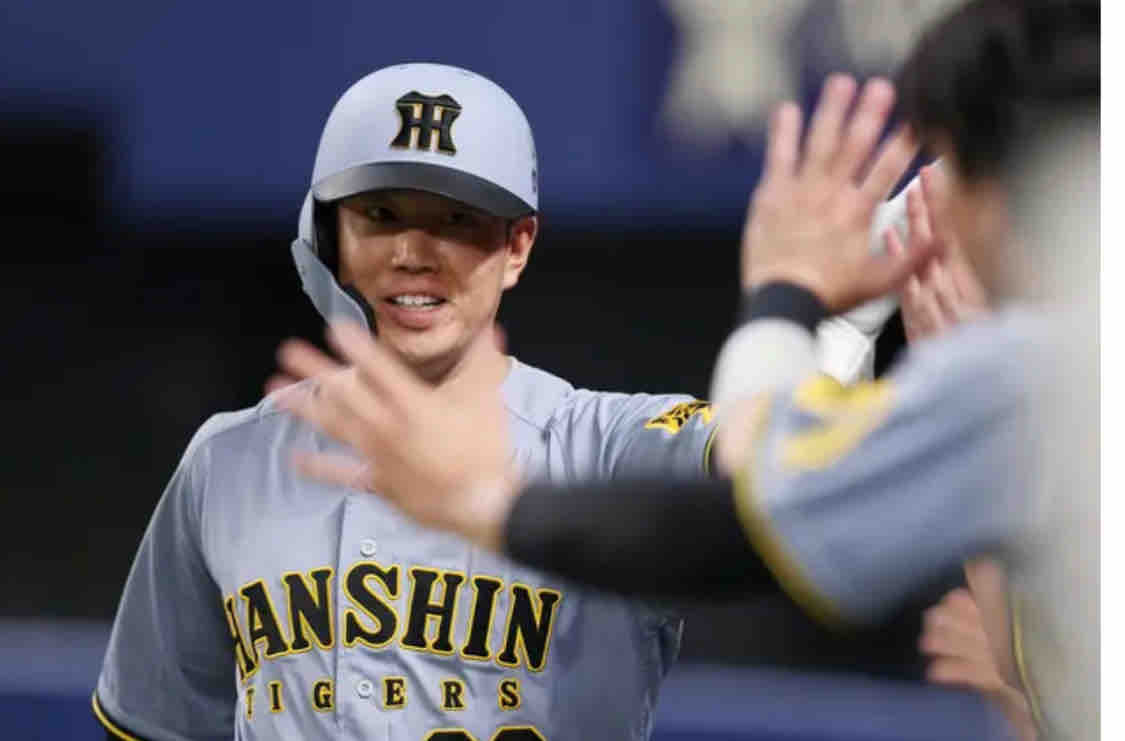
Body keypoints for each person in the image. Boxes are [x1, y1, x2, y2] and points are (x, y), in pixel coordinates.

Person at [273, 1, 1098, 739]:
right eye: (380, 215)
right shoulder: (1041, 375)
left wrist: (791, 295)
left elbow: (750, 506)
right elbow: (1034, 652)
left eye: (951, 160)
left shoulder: (1038, 371)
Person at [93, 62, 910, 741]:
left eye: (456, 219)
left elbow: (781, 474)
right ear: (328, 233)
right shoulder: (226, 461)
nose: (413, 252)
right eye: (379, 214)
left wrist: (830, 323)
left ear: (516, 246)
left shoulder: (602, 444)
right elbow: (157, 724)